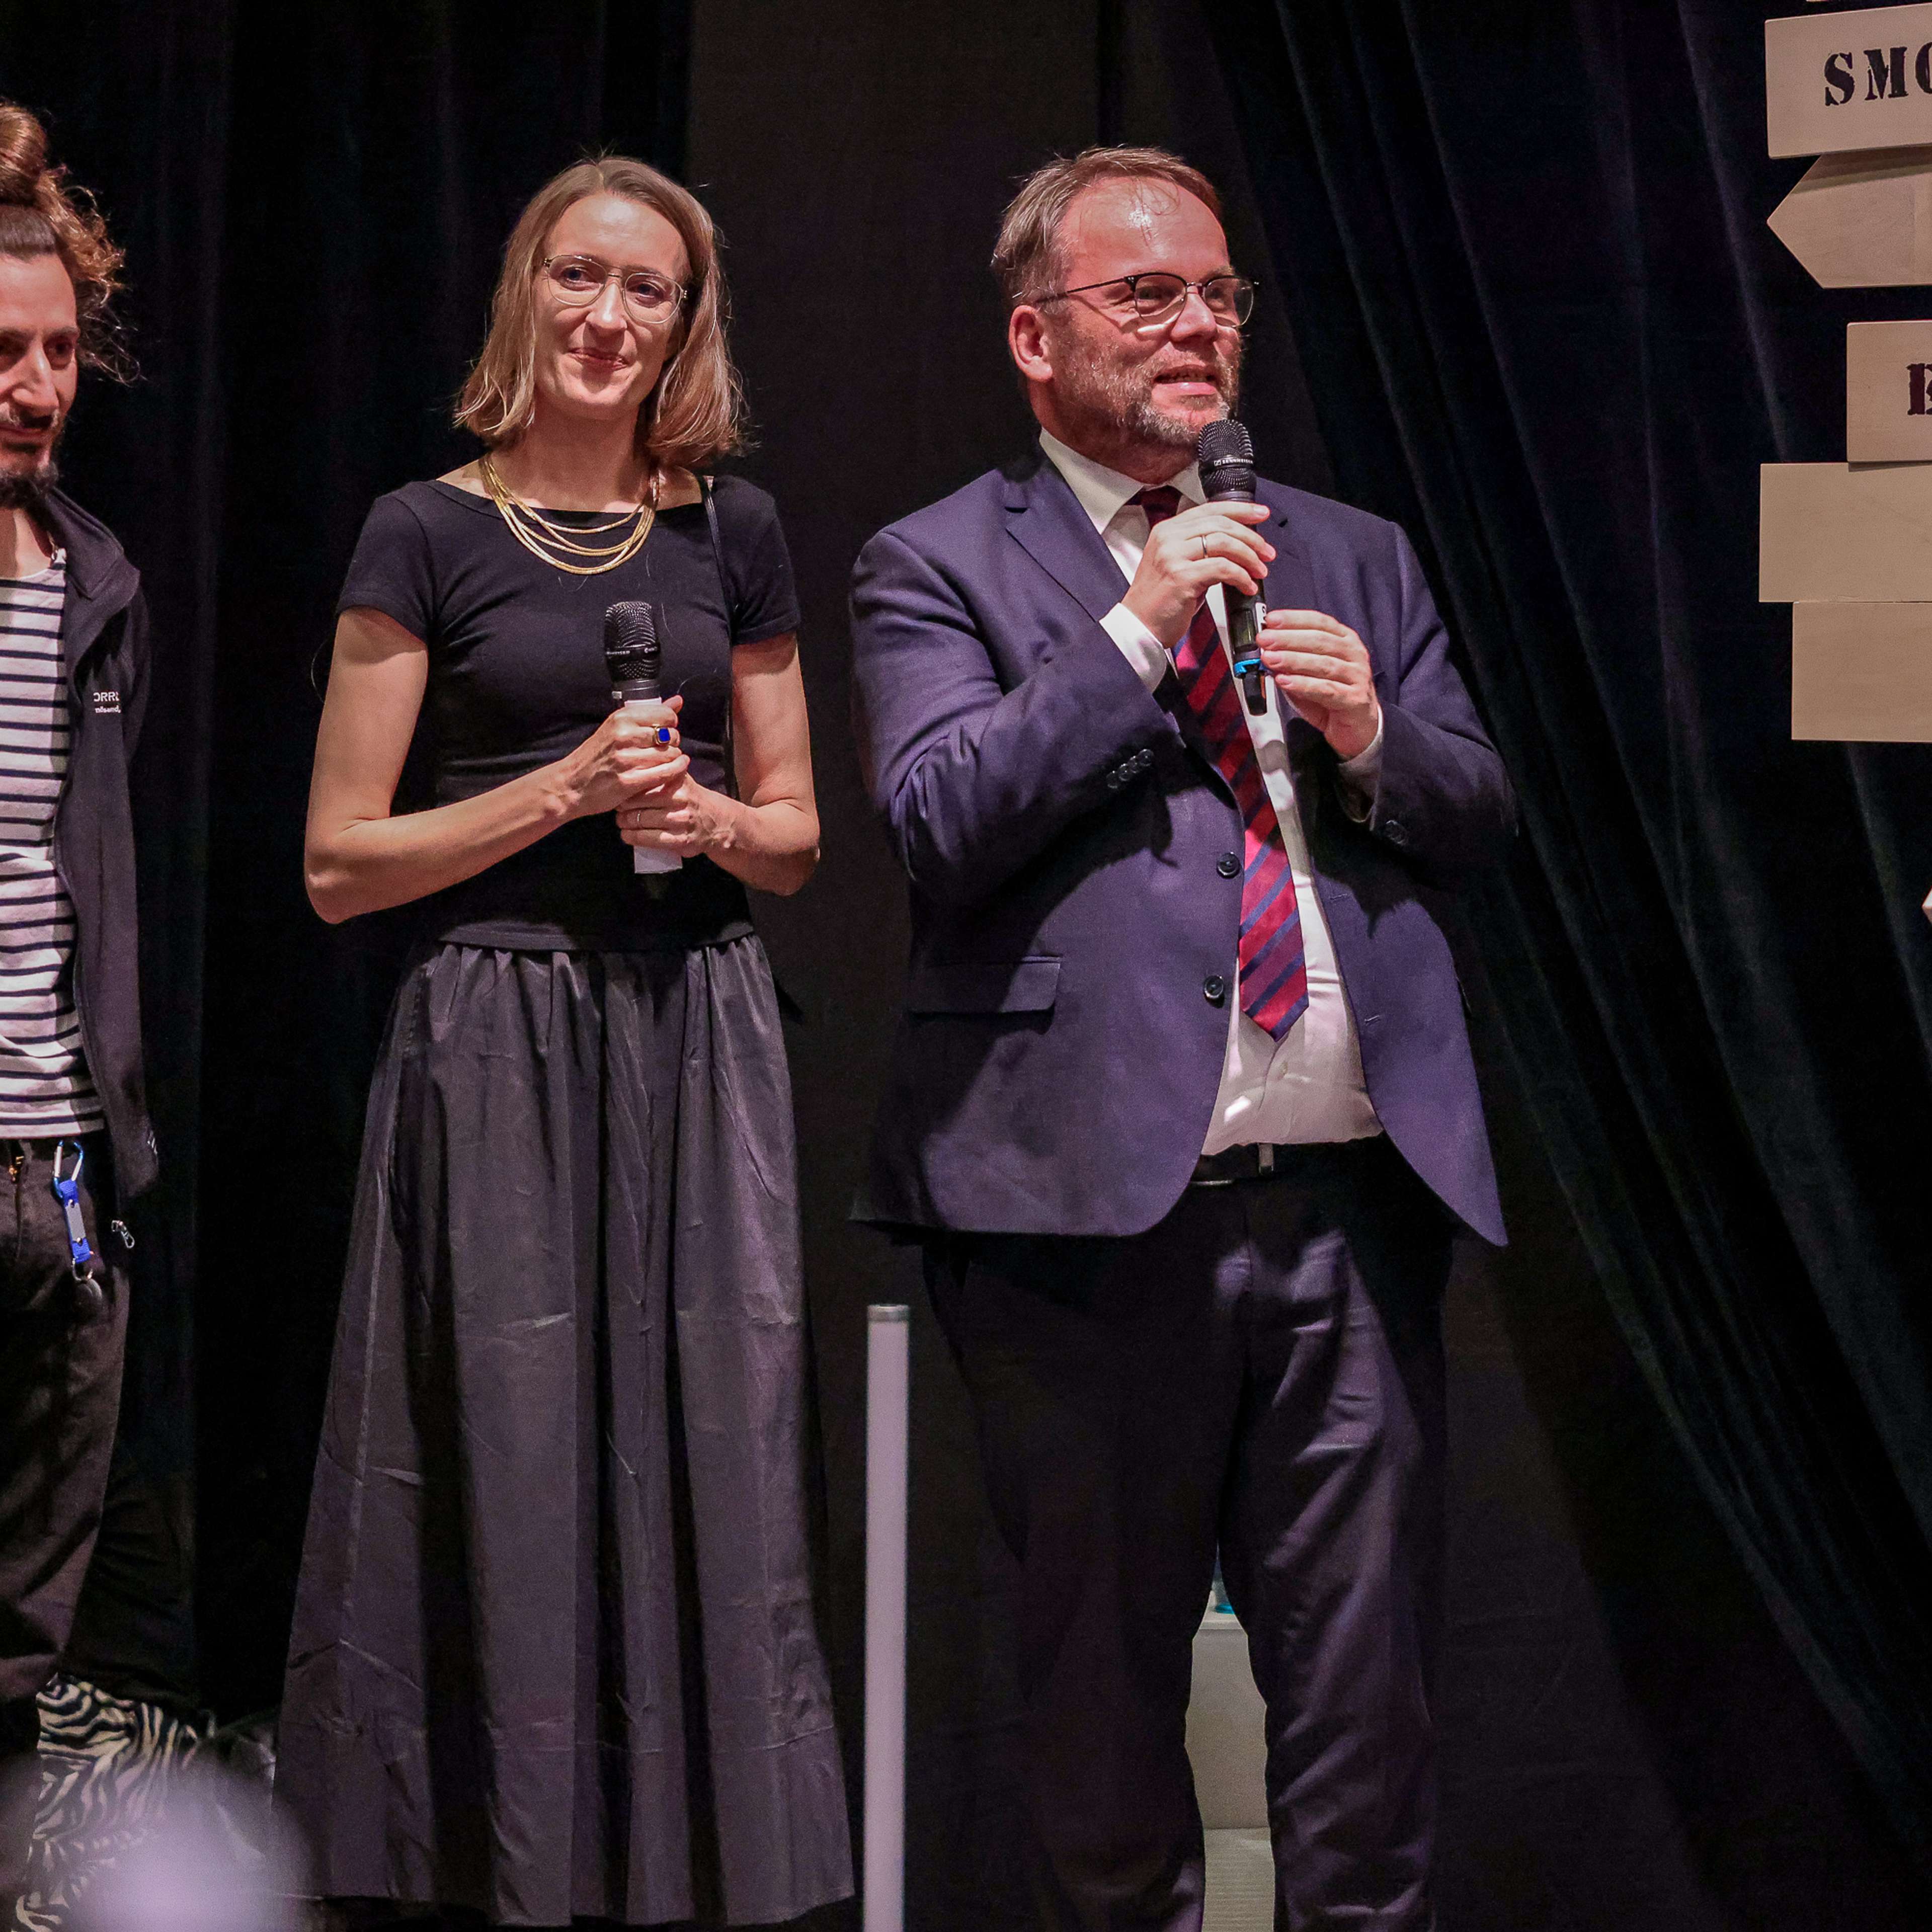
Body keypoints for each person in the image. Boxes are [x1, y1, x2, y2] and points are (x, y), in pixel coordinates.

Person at [849, 146, 1514, 1929]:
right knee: (1105, 1720)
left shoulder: (1353, 550)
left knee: (1367, 1722)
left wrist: (1374, 737)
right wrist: (1138, 626)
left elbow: (1476, 806)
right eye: (1149, 295)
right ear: (1035, 335)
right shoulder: (938, 562)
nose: (1199, 325)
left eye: (1220, 294)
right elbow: (941, 818)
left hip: (1351, 1208)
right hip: (1082, 1228)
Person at [278, 156, 852, 1928]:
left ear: (688, 325)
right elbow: (337, 865)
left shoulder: (733, 532)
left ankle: (696, 1876)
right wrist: (563, 793)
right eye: (581, 277)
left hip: (697, 1030)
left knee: (714, 1464)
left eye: (649, 291)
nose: (609, 318)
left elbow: (799, 836)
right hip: (496, 1036)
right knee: (512, 1471)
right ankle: (499, 1875)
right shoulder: (422, 531)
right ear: (527, 288)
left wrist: (704, 819)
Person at [0, 104, 159, 1915]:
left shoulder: (98, 581)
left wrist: (107, 1148)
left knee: (24, 1627)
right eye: (3, 352)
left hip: (54, 1169)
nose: (37, 388)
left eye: (56, 352)